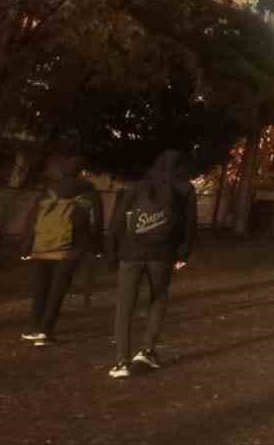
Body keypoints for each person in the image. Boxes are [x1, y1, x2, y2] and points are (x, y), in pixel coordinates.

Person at [107, 150, 196, 379]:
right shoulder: (185, 189)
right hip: (163, 255)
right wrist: (183, 254)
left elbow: (117, 221)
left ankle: (120, 361)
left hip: (131, 252)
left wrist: (112, 253)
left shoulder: (138, 187)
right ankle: (147, 350)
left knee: (125, 304)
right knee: (158, 298)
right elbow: (189, 225)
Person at [19, 156, 103, 347]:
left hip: (42, 246)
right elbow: (96, 223)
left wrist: (27, 245)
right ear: (82, 172)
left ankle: (32, 327)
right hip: (70, 249)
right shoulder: (89, 193)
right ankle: (46, 331)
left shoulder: (48, 191)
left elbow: (32, 218)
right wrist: (97, 248)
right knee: (58, 289)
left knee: (40, 287)